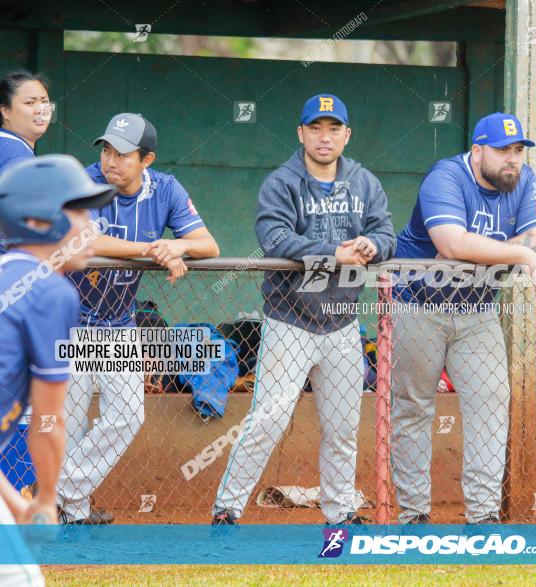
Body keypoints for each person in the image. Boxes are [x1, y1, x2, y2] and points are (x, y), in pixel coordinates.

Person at [212, 94, 396, 525]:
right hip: (290, 320)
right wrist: (334, 253)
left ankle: (340, 511)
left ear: (347, 135)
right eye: (316, 128)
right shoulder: (282, 181)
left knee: (343, 428)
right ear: (301, 133)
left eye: (333, 129)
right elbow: (274, 238)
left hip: (342, 324)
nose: (324, 137)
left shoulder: (365, 183)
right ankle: (228, 507)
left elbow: (386, 231)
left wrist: (373, 245)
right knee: (268, 420)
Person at [392, 112, 536, 524]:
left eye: (518, 150)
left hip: (478, 310)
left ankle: (482, 516)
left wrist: (489, 247)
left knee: (490, 404)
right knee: (413, 409)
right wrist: (519, 251)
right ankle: (413, 515)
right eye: (503, 150)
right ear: (478, 150)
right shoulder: (445, 178)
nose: (513, 159)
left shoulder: (524, 180)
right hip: (418, 304)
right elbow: (451, 244)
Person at [56, 113, 219, 524]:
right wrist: (152, 249)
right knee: (69, 424)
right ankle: (73, 511)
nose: (111, 160)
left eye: (123, 154)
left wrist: (175, 246)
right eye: (107, 150)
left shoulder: (164, 189)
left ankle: (60, 493)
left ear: (147, 159)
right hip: (68, 322)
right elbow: (84, 240)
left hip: (116, 325)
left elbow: (208, 246)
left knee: (128, 414)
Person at [0, 155, 115, 585]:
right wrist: (47, 500)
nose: (92, 226)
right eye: (78, 212)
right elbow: (48, 421)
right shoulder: (50, 293)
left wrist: (18, 504)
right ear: (38, 219)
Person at [0, 71, 54, 254]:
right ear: (5, 111)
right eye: (30, 103)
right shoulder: (17, 155)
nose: (41, 109)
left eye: (45, 101)